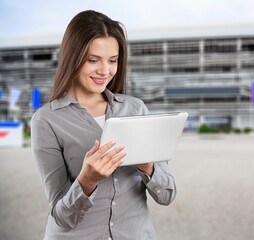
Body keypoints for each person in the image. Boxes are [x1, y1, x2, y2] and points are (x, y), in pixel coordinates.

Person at [31, 10, 176, 240]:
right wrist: (87, 180)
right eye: (93, 60)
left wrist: (147, 166)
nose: (105, 71)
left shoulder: (135, 109)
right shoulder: (47, 120)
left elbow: (167, 195)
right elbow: (61, 216)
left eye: (113, 60)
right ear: (73, 57)